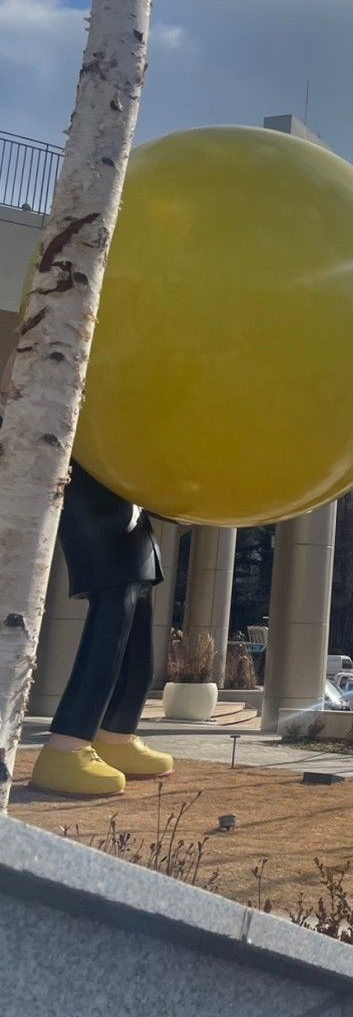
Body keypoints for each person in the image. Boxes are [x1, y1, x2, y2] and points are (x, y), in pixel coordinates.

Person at [1, 333, 173, 797]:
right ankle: (66, 748)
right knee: (106, 639)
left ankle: (116, 736)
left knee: (138, 652)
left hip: (131, 521)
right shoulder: (59, 355)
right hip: (98, 516)